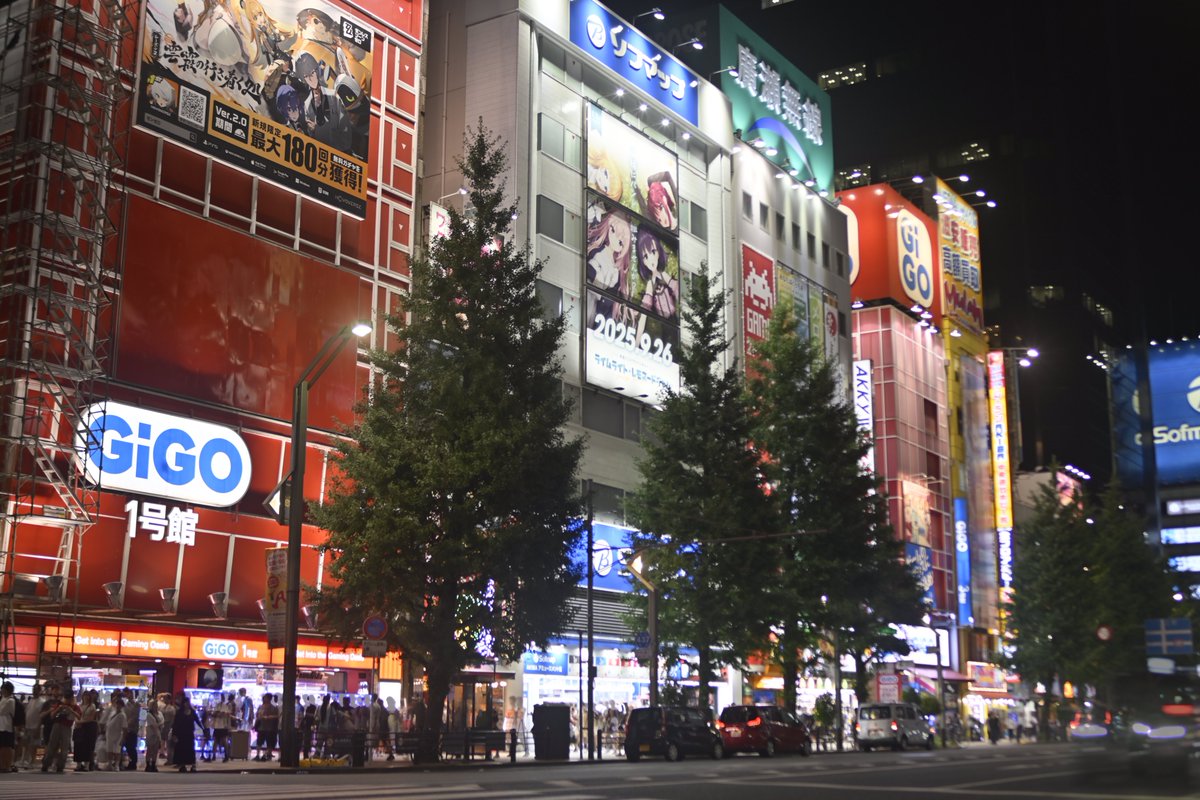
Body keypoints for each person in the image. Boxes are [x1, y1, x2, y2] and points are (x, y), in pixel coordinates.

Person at [586, 205, 634, 302]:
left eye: (621, 243)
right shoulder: (598, 250)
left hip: (596, 303)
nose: (616, 240)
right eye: (613, 230)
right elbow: (589, 269)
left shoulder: (615, 269)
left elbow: (611, 292)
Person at [636, 229, 678, 320]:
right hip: (663, 325)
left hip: (675, 320)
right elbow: (645, 310)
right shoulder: (650, 284)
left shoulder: (664, 275)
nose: (651, 260)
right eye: (645, 256)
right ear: (643, 262)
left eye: (653, 252)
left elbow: (677, 290)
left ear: (658, 252)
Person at [41, 687, 80, 773]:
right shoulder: (59, 704)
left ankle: (60, 766)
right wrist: (59, 709)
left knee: (64, 747)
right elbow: (52, 715)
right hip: (57, 725)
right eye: (66, 698)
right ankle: (46, 764)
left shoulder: (75, 706)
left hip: (67, 727)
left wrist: (71, 710)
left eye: (69, 698)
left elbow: (79, 716)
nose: (67, 700)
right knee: (52, 745)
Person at [17, 683, 43, 768]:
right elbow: (26, 712)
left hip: (35, 727)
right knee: (25, 743)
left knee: (33, 745)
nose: (34, 691)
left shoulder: (42, 702)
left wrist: (38, 728)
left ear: (40, 691)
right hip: (28, 726)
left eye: (36, 689)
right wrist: (24, 725)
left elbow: (41, 716)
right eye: (33, 689)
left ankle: (32, 761)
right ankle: (23, 759)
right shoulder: (31, 700)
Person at [171, 694, 199, 773]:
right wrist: (174, 734)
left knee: (190, 749)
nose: (187, 704)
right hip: (181, 734)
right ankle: (182, 765)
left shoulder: (192, 712)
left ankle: (193, 765)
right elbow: (175, 724)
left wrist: (203, 729)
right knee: (182, 750)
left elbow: (197, 721)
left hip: (189, 734)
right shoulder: (179, 713)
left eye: (188, 703)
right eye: (186, 703)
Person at [74, 689, 99, 771]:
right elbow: (76, 716)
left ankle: (87, 765)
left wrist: (81, 721)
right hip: (79, 728)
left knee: (87, 746)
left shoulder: (92, 706)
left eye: (87, 696)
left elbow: (92, 717)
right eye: (84, 696)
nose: (86, 697)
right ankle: (78, 764)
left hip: (88, 728)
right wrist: (77, 722)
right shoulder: (79, 706)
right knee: (78, 746)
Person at [102, 694, 126, 771]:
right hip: (109, 734)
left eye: (119, 705)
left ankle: (116, 765)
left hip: (118, 734)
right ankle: (109, 764)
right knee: (109, 750)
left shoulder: (122, 715)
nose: (117, 706)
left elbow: (125, 728)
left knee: (117, 751)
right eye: (117, 704)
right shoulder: (112, 712)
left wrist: (123, 739)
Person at [254, 693, 279, 761]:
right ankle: (257, 755)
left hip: (269, 727)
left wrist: (268, 717)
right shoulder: (261, 706)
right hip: (261, 727)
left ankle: (268, 754)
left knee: (269, 742)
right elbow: (257, 715)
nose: (264, 699)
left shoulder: (273, 708)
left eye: (265, 698)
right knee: (259, 741)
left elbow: (277, 716)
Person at [143, 697, 164, 772]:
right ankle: (148, 765)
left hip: (158, 734)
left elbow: (162, 723)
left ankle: (154, 764)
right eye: (154, 705)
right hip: (151, 734)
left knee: (155, 750)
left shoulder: (160, 713)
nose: (155, 706)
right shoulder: (149, 715)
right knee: (149, 750)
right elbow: (153, 725)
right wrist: (159, 725)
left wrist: (159, 726)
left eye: (156, 705)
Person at [122, 689, 140, 770]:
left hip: (132, 728)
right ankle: (129, 762)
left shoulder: (136, 704)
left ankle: (133, 763)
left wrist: (127, 725)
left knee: (131, 746)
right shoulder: (124, 704)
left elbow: (134, 717)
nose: (128, 695)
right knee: (126, 745)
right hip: (124, 728)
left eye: (129, 693)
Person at [211, 692, 231, 762]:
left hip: (222, 726)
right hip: (217, 726)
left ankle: (226, 755)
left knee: (223, 741)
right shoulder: (217, 705)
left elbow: (222, 714)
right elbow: (214, 714)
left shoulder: (225, 706)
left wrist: (217, 713)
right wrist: (217, 713)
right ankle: (213, 755)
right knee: (216, 741)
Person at [0, 681, 16, 772]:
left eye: (4, 689)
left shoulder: (10, 700)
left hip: (6, 726)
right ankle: (2, 765)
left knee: (6, 747)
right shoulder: (3, 699)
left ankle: (7, 765)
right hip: (1, 726)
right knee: (1, 747)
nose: (2, 691)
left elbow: (2, 711)